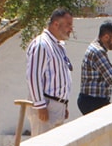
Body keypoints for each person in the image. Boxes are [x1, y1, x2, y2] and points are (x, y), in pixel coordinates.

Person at [25, 8, 75, 136]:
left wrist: (64, 104)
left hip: (57, 106)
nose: (71, 29)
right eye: (68, 25)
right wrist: (40, 106)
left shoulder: (60, 46)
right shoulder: (42, 44)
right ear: (56, 24)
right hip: (46, 106)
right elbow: (33, 77)